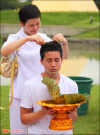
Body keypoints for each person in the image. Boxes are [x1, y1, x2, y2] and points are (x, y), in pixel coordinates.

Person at [1, 4, 69, 134]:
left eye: (38, 23)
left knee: (40, 129)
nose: (35, 28)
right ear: (21, 23)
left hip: (41, 92)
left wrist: (64, 43)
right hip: (19, 94)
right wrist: (27, 38)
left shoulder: (43, 37)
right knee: (18, 130)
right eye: (31, 25)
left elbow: (63, 56)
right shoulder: (15, 38)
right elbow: (4, 51)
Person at [20, 41, 78, 134]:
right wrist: (43, 112)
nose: (53, 64)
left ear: (62, 60)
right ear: (41, 61)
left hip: (64, 131)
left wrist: (71, 112)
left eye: (57, 60)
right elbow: (24, 119)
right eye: (49, 60)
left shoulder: (71, 84)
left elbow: (73, 119)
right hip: (39, 132)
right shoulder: (29, 85)